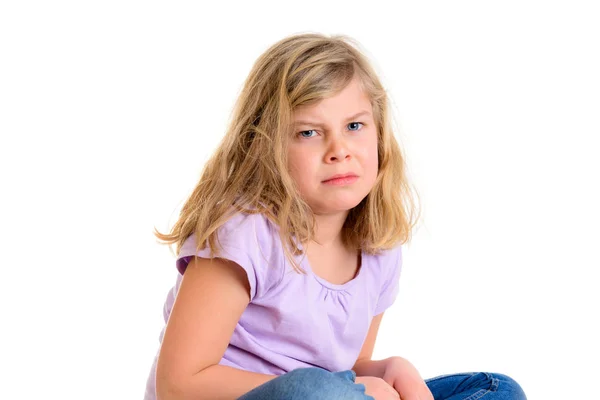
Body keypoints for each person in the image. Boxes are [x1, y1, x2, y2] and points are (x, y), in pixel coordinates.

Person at [143, 32, 527, 400]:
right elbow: (179, 385)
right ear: (264, 146)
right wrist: (345, 388)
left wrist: (383, 370)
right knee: (313, 389)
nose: (339, 150)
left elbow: (352, 366)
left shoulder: (378, 247)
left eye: (355, 126)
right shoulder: (245, 235)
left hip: (332, 394)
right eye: (309, 133)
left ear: (379, 134)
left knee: (497, 390)